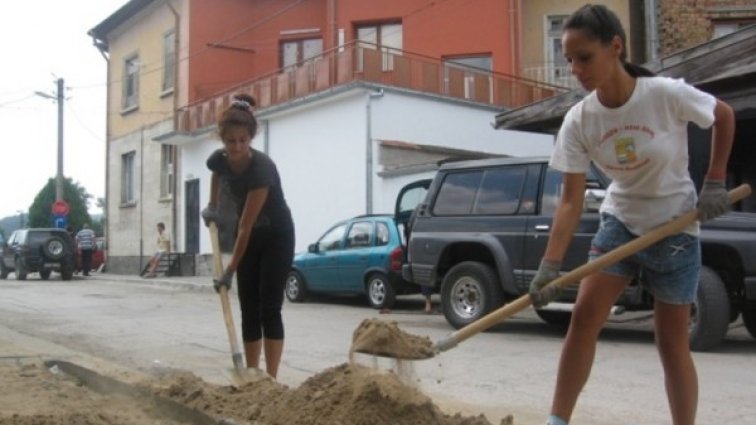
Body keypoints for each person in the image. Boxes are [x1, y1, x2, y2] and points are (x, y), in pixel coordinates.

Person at [527, 5, 735, 425]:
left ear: (615, 47)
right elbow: (569, 201)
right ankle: (556, 421)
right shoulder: (580, 120)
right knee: (583, 319)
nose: (575, 69)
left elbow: (723, 116)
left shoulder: (663, 94)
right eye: (569, 60)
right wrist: (549, 267)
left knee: (670, 342)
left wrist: (715, 180)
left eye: (584, 57)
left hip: (676, 229)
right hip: (620, 223)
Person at [201, 93, 295, 379]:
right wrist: (212, 205)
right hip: (251, 239)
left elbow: (244, 226)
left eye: (243, 140)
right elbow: (217, 172)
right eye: (231, 141)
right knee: (248, 309)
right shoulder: (219, 159)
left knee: (269, 308)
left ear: (251, 137)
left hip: (276, 236)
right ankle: (252, 375)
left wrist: (229, 270)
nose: (237, 147)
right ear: (223, 139)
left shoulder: (262, 169)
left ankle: (271, 380)